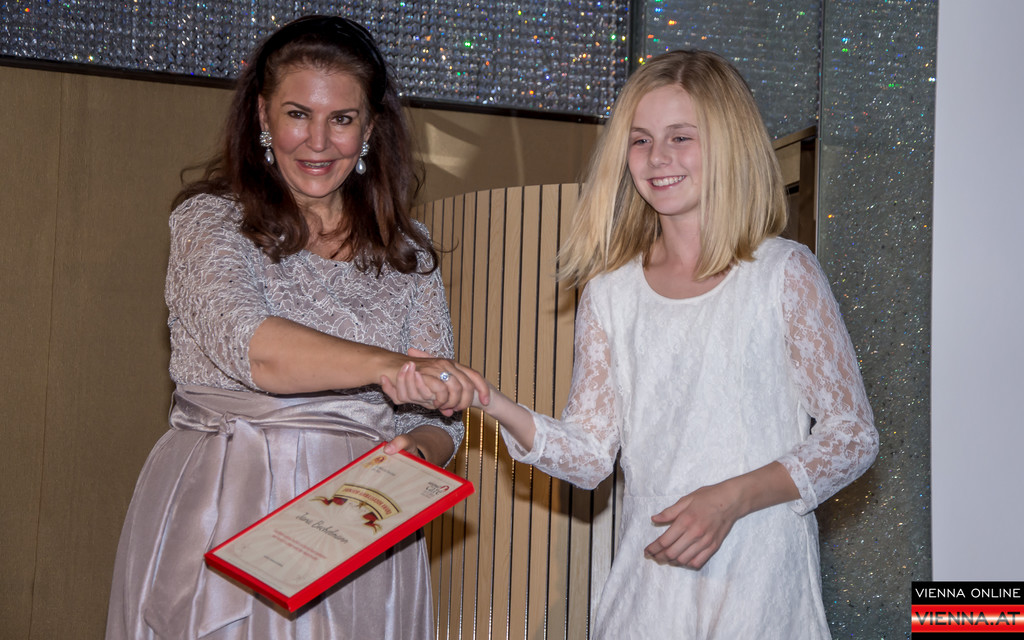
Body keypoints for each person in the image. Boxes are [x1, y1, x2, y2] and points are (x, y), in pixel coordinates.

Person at [393, 50, 879, 638]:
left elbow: (852, 435)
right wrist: (489, 401)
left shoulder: (783, 272)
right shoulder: (610, 291)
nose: (658, 157)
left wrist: (732, 498)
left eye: (681, 137)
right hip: (648, 589)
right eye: (641, 140)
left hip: (759, 581)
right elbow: (590, 456)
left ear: (729, 144)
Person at [105, 15, 488, 640]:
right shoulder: (210, 222)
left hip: (362, 524)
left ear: (370, 127)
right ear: (263, 114)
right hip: (228, 506)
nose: (318, 141)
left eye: (342, 119)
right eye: (298, 114)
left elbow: (438, 419)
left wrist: (416, 454)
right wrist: (390, 366)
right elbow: (256, 351)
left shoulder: (408, 250)